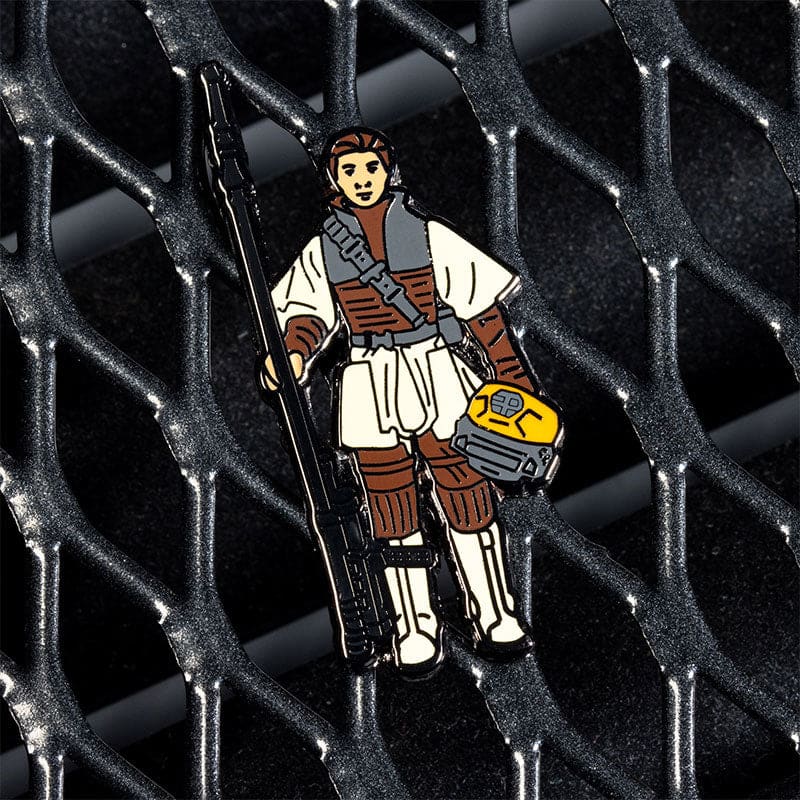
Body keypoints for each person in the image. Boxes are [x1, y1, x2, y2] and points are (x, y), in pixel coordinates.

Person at [263, 127, 536, 676]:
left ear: (388, 170)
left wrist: (511, 375)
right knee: (390, 507)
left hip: (436, 369)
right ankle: (414, 626)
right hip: (369, 380)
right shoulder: (324, 249)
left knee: (467, 488)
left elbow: (482, 312)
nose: (362, 179)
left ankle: (494, 611)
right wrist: (293, 352)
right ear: (334, 180)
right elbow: (305, 314)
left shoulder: (429, 234)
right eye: (349, 171)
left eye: (370, 167)